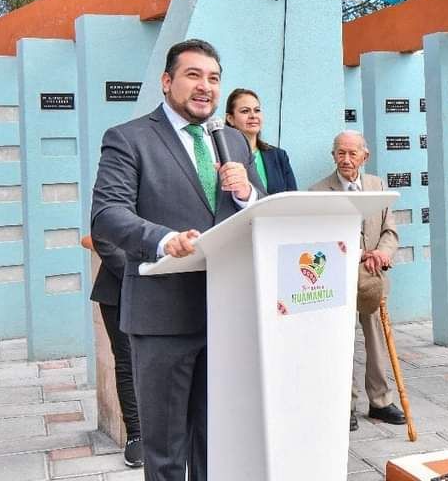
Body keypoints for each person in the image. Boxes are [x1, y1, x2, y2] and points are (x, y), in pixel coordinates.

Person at [90, 39, 263, 481]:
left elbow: (261, 211)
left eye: (213, 78)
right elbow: (107, 214)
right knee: (166, 452)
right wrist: (163, 240)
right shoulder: (129, 139)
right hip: (162, 318)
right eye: (193, 75)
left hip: (225, 316)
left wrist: (247, 192)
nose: (205, 86)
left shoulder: (233, 142)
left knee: (217, 444)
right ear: (167, 82)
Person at [309, 130, 404, 432]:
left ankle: (380, 401)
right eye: (341, 153)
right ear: (333, 155)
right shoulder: (318, 192)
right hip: (338, 278)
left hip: (373, 276)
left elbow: (390, 230)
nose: (346, 159)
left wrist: (382, 253)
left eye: (353, 153)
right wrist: (361, 253)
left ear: (365, 156)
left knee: (377, 340)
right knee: (341, 341)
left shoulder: (377, 186)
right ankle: (345, 404)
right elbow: (321, 239)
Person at [89, 239, 143, 467]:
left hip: (164, 286)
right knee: (127, 361)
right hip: (117, 289)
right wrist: (138, 275)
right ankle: (135, 434)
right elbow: (102, 238)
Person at [224, 88, 297, 195]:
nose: (253, 116)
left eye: (257, 110)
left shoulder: (279, 156)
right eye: (245, 111)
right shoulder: (223, 156)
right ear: (230, 118)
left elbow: (293, 198)